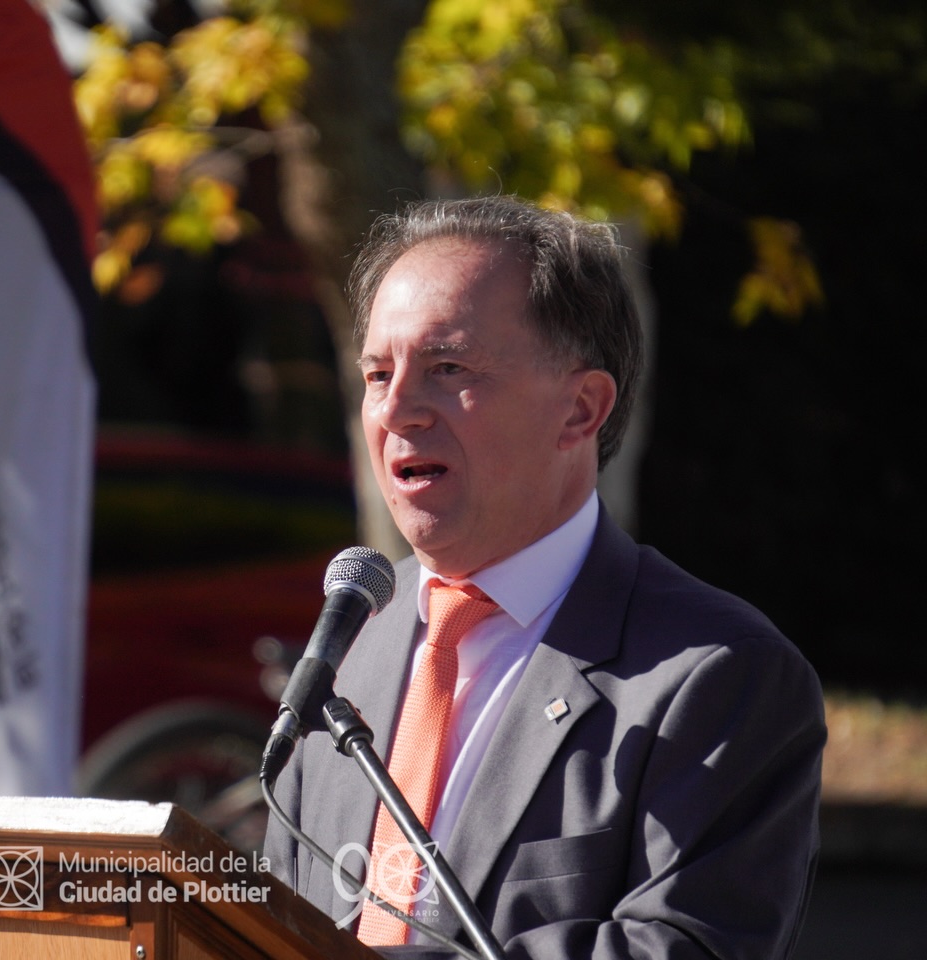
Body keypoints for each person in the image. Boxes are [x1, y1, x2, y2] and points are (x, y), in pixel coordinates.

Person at [263, 195, 824, 959]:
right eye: (377, 373)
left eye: (447, 368)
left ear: (581, 409)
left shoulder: (720, 677)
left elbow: (681, 947)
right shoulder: (355, 642)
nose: (396, 410)